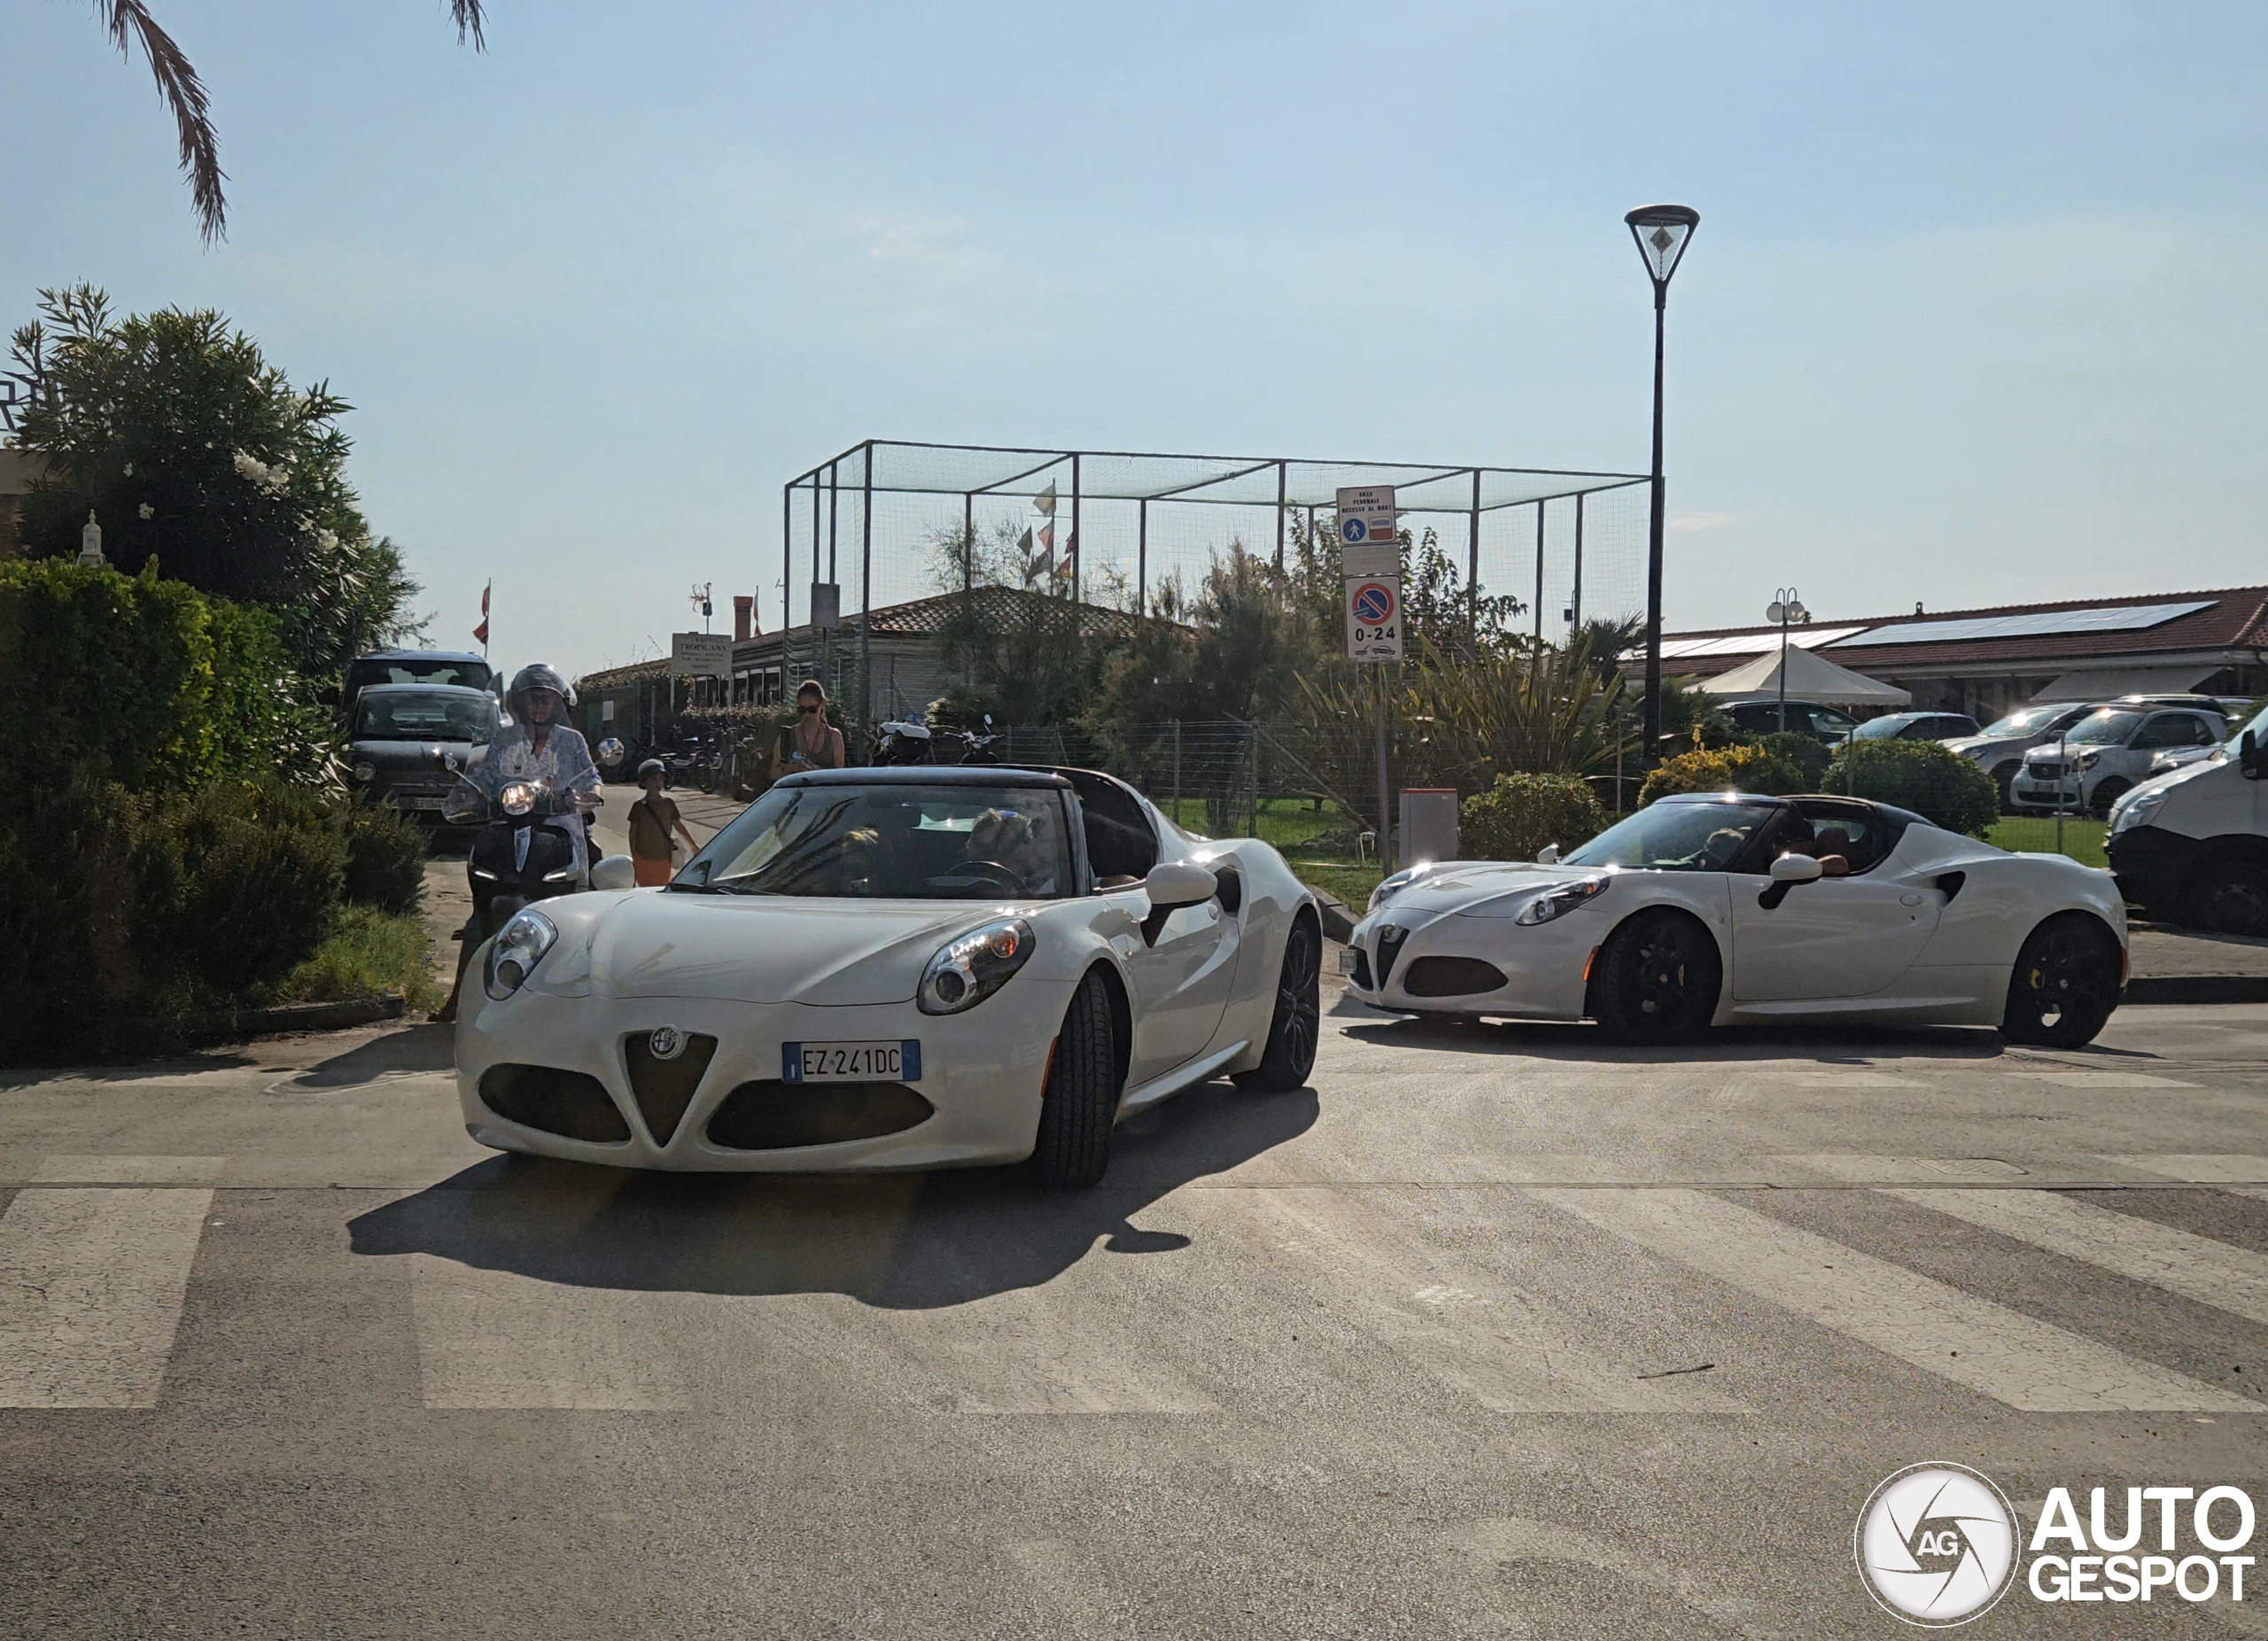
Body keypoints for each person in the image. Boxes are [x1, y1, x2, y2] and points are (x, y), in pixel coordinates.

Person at [625, 758, 699, 887]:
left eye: (661, 779)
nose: (658, 783)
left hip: (663, 856)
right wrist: (634, 854)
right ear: (644, 782)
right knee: (645, 889)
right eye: (653, 779)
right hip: (643, 857)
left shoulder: (669, 804)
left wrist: (693, 845)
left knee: (661, 887)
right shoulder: (639, 806)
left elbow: (679, 826)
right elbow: (633, 833)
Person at [773, 679, 846, 780]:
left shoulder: (833, 736)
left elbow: (840, 777)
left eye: (812, 709)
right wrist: (788, 769)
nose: (807, 714)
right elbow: (772, 774)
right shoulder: (787, 736)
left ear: (822, 704)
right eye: (802, 710)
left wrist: (815, 771)